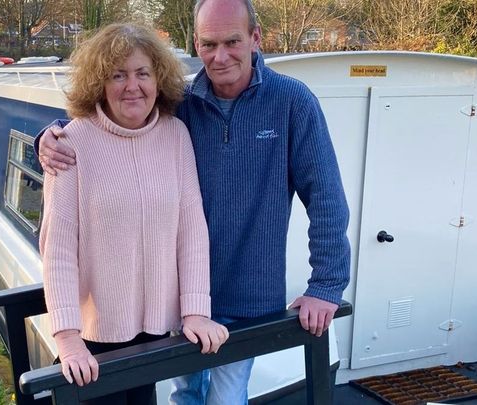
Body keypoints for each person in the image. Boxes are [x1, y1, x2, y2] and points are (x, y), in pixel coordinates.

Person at [38, 0, 351, 402]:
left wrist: (326, 284)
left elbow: (326, 198)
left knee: (226, 398)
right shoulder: (183, 105)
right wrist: (51, 136)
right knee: (184, 396)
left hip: (247, 296)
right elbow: (119, 124)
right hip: (176, 303)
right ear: (196, 45)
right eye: (208, 44)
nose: (220, 56)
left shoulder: (292, 101)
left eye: (232, 41)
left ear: (255, 38)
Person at [39, 23, 229, 405]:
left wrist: (195, 311)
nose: (132, 86)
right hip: (92, 342)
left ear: (158, 80)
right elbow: (57, 250)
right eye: (118, 75)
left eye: (143, 73)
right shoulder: (70, 142)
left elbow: (191, 230)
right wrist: (67, 337)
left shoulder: (176, 135)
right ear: (99, 83)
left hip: (156, 334)